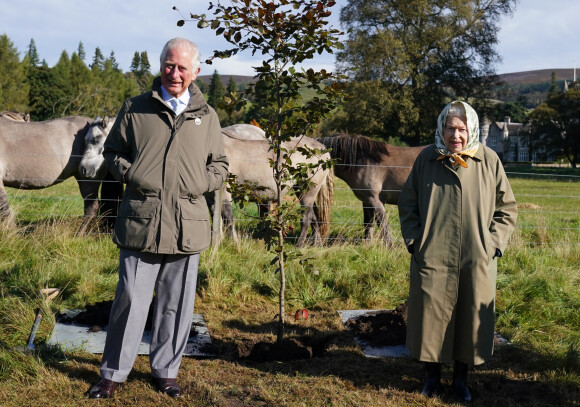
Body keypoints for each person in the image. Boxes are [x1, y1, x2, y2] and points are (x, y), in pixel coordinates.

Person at [88, 37, 228, 399]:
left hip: (188, 224)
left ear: (196, 72)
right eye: (169, 65)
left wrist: (202, 182)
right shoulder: (135, 109)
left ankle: (166, 372)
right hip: (142, 221)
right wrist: (132, 174)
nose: (175, 73)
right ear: (160, 65)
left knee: (177, 303)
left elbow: (220, 165)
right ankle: (114, 374)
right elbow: (113, 151)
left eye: (183, 67)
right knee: (130, 299)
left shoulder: (208, 116)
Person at [397, 100, 517, 403]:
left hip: (475, 257)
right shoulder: (427, 159)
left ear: (471, 129)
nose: (456, 135)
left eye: (462, 128)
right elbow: (408, 204)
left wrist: (493, 244)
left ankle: (461, 381)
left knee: (469, 318)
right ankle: (432, 378)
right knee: (430, 316)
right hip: (432, 254)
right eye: (450, 128)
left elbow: (507, 209)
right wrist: (415, 242)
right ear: (442, 128)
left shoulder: (488, 161)